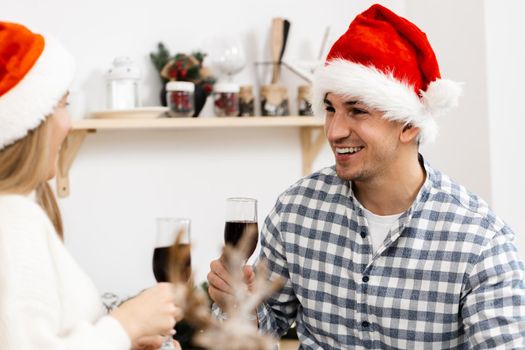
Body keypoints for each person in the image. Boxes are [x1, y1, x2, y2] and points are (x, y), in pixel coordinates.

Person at [207, 4, 525, 349]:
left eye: (357, 111)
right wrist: (239, 307)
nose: (334, 130)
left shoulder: (480, 242)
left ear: (410, 125)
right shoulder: (296, 210)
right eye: (330, 108)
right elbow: (261, 330)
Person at [0, 22, 181, 349]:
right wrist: (128, 323)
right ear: (29, 122)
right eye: (62, 105)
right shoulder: (12, 218)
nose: (68, 124)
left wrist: (124, 341)